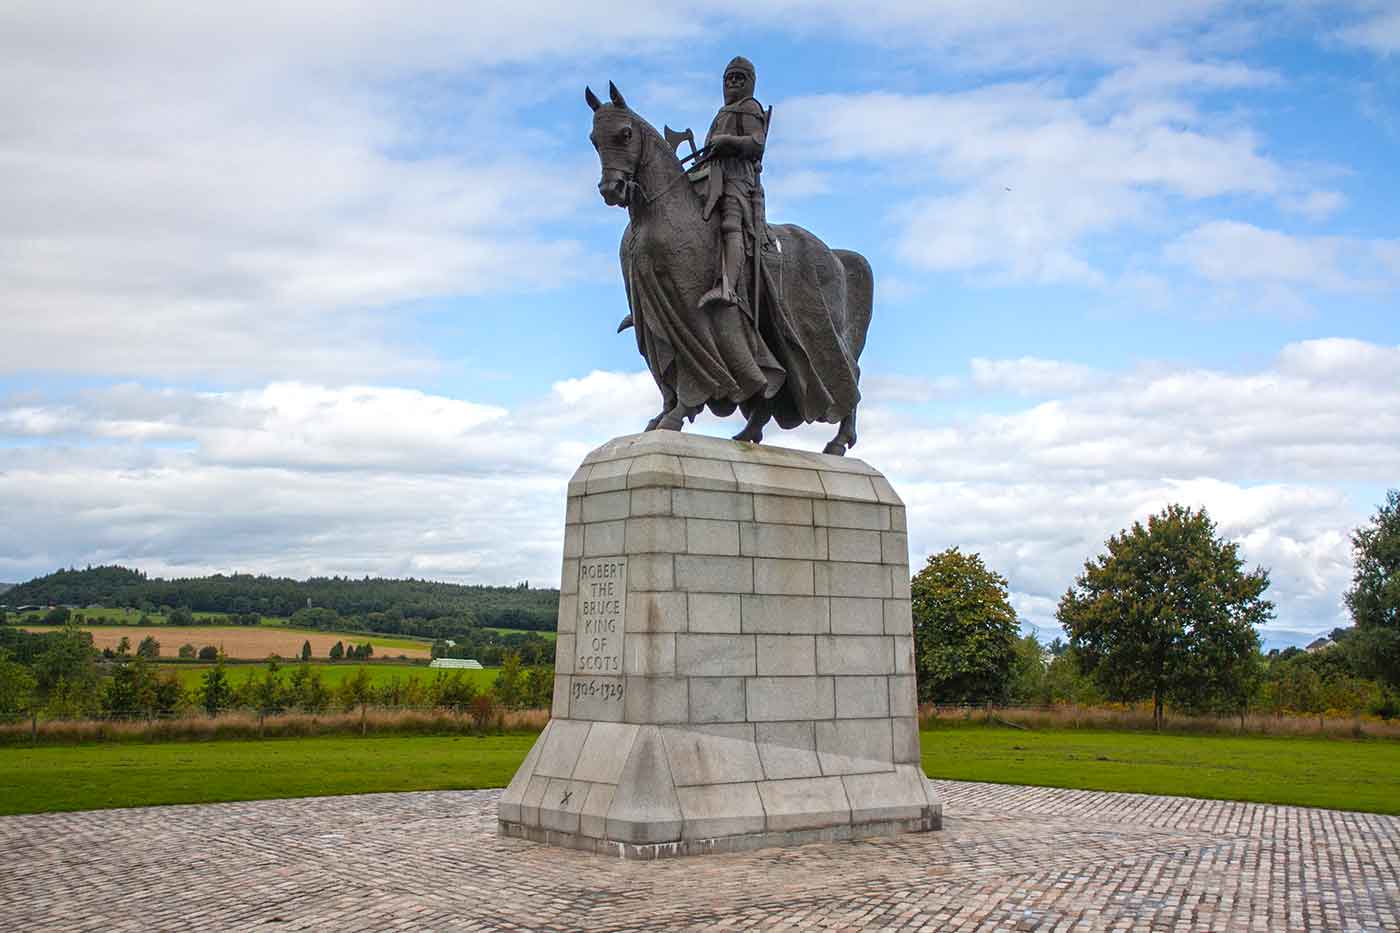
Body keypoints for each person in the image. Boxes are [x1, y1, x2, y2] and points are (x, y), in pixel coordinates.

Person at [698, 56, 769, 313]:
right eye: (729, 77)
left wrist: (729, 142)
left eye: (740, 77)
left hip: (738, 178)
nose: (733, 82)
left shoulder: (750, 107)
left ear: (750, 82)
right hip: (711, 176)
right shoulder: (720, 114)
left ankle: (728, 285)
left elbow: (757, 145)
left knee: (731, 220)